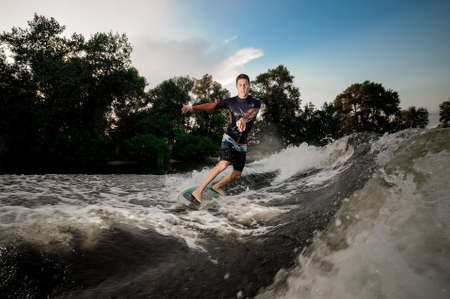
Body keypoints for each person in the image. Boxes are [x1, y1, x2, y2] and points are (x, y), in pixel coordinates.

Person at [181, 74, 260, 204]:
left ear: (249, 85)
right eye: (240, 85)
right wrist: (192, 107)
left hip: (242, 143)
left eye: (245, 84)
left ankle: (216, 186)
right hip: (229, 138)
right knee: (224, 163)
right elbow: (212, 105)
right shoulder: (230, 102)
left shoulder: (255, 102)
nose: (243, 87)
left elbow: (251, 113)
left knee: (237, 174)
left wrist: (243, 120)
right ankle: (198, 192)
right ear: (236, 86)